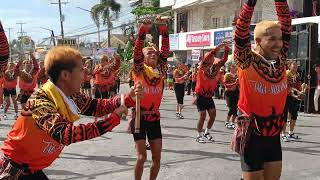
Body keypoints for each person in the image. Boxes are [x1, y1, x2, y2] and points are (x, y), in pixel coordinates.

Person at [0, 46, 142, 179]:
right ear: (65, 75)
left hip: (32, 169)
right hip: (15, 171)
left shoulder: (71, 95)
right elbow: (65, 134)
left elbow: (96, 107)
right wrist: (114, 118)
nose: (84, 76)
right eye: (81, 70)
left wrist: (128, 99)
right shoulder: (41, 100)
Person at [233, 0, 291, 179]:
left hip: (273, 135)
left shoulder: (280, 59)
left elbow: (286, 22)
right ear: (258, 41)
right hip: (252, 136)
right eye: (272, 39)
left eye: (280, 39)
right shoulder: (246, 60)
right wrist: (250, 4)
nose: (278, 43)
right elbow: (240, 33)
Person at [130, 17, 169, 180]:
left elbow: (165, 51)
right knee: (141, 158)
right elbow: (137, 51)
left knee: (157, 158)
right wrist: (143, 30)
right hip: (139, 118)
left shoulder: (160, 69)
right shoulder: (139, 69)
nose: (153, 53)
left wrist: (164, 29)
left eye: (155, 52)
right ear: (143, 58)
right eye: (149, 52)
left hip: (154, 119)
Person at [193, 43, 230, 143]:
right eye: (210, 57)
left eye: (213, 57)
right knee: (202, 116)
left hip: (209, 97)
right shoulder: (202, 67)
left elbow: (224, 60)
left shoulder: (215, 68)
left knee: (213, 116)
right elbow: (209, 55)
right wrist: (219, 47)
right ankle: (198, 135)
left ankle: (207, 132)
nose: (212, 58)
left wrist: (226, 50)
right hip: (200, 96)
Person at [282, 61, 306, 141]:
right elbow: (288, 88)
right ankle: (283, 134)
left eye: (297, 66)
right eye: (294, 66)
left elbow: (298, 86)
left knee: (294, 115)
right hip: (285, 97)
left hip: (294, 97)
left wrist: (302, 89)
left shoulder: (297, 75)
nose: (296, 67)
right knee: (284, 116)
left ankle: (291, 133)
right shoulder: (286, 74)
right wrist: (297, 93)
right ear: (289, 66)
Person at [224, 63, 239, 129]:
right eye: (233, 67)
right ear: (230, 68)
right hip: (228, 93)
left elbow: (239, 85)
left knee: (235, 109)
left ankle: (232, 122)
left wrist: (238, 84)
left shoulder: (237, 75)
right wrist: (235, 83)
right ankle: (227, 121)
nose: (235, 69)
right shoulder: (227, 75)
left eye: (235, 68)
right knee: (231, 108)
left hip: (235, 93)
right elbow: (226, 85)